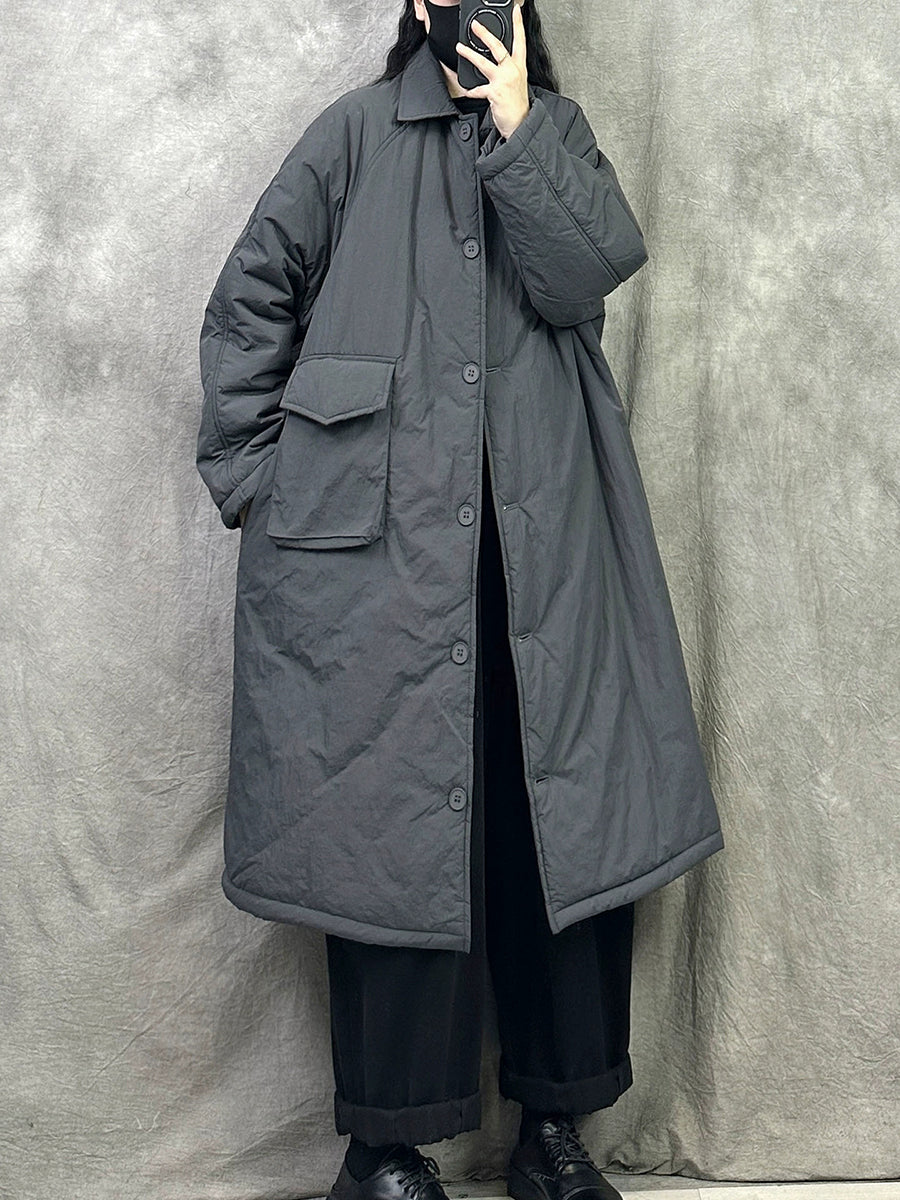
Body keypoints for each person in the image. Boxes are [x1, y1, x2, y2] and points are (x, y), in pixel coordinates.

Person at [196, 3, 725, 1199]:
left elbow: (586, 275)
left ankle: (554, 1131)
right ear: (416, 5)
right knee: (390, 841)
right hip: (376, 562)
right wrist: (257, 479)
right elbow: (249, 299)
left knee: (558, 827)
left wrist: (521, 127)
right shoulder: (352, 135)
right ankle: (386, 1149)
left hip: (551, 556)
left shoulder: (557, 132)